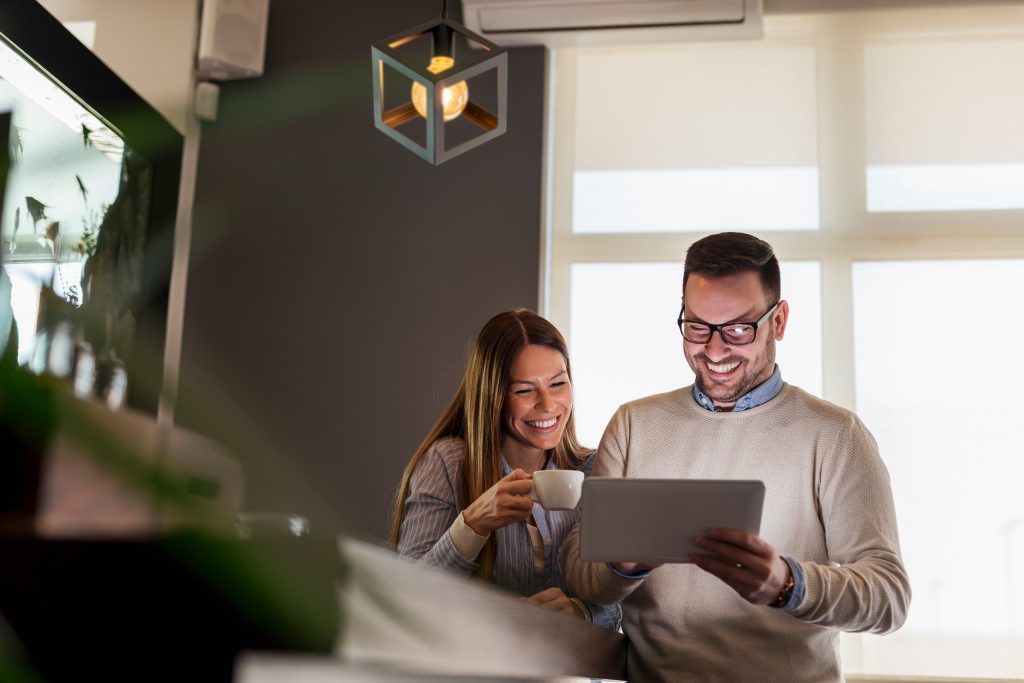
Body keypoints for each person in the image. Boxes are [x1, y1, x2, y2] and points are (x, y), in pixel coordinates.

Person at [562, 232, 910, 681]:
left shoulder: (836, 436)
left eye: (739, 329)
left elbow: (889, 598)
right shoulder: (633, 425)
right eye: (697, 327)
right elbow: (580, 576)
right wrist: (623, 564)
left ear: (779, 321)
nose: (715, 349)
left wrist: (788, 585)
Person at [390, 309, 620, 629]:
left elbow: (621, 605)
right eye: (524, 390)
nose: (549, 405)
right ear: (493, 396)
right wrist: (472, 525)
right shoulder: (448, 463)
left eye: (558, 384)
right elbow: (405, 601)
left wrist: (581, 612)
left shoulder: (597, 468)